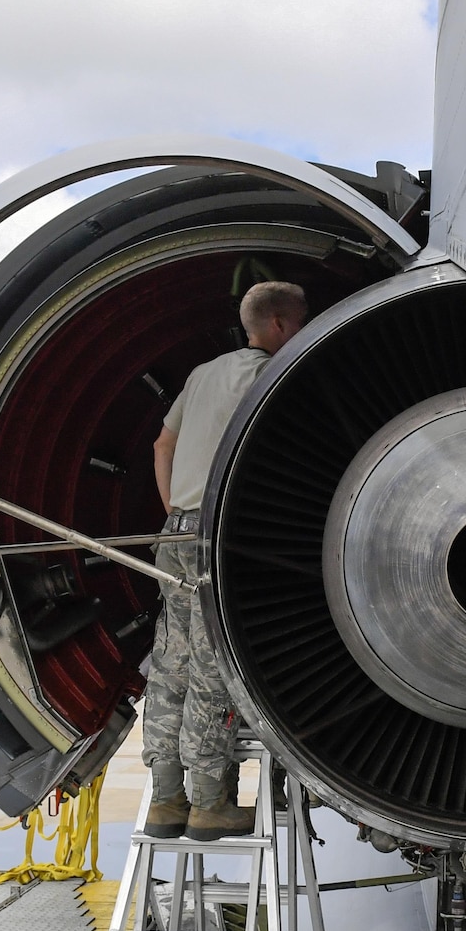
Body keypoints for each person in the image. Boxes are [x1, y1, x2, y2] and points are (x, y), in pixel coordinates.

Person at [139, 280, 309, 839]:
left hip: (178, 532)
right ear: (282, 325)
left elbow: (162, 447)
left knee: (171, 663)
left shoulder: (202, 373)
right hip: (220, 539)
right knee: (216, 666)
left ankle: (166, 801)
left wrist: (175, 510)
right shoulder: (270, 375)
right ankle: (210, 802)